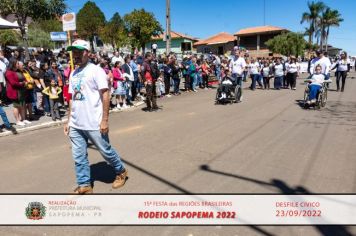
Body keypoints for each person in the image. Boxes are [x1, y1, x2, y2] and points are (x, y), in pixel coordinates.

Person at [64, 39, 128, 194]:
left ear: (88, 53)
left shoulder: (96, 70)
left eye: (80, 51)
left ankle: (121, 171)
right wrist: (69, 120)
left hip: (94, 122)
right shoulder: (74, 73)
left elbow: (105, 95)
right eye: (74, 52)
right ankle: (84, 184)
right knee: (79, 156)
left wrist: (105, 120)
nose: (76, 55)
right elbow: (72, 97)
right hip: (76, 124)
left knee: (106, 151)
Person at [5, 59, 31, 126]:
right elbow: (13, 83)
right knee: (16, 106)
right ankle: (18, 120)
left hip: (21, 91)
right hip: (14, 92)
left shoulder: (16, 71)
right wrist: (22, 83)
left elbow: (23, 78)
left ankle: (23, 119)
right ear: (13, 64)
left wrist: (23, 82)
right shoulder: (9, 72)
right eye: (17, 63)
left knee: (22, 105)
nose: (18, 65)